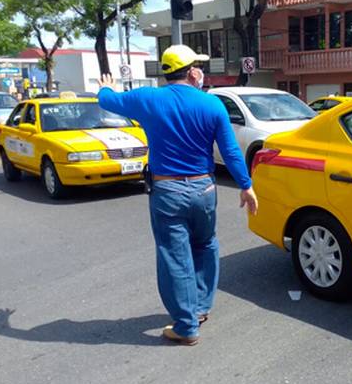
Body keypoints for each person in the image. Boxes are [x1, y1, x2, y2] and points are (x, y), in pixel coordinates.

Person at [97, 44, 258, 346]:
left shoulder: (149, 98)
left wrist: (106, 87)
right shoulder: (212, 105)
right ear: (194, 71)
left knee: (175, 254)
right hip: (204, 188)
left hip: (168, 190)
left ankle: (185, 325)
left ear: (166, 72)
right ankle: (200, 307)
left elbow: (107, 100)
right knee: (206, 245)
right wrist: (246, 185)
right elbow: (231, 150)